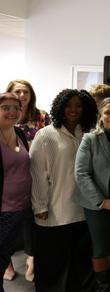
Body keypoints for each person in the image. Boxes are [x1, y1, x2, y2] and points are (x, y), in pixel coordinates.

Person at [30, 89, 98, 291]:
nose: (74, 110)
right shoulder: (46, 135)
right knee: (53, 264)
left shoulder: (89, 133)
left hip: (84, 211)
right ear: (60, 108)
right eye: (69, 105)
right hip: (54, 211)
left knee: (80, 264)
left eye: (78, 105)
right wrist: (39, 206)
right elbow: (37, 174)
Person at [74, 97, 110, 292]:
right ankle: (102, 288)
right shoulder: (89, 139)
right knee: (100, 249)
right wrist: (101, 201)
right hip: (96, 205)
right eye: (107, 112)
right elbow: (81, 173)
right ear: (100, 115)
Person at [4, 79, 50, 282]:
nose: (12, 111)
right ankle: (7, 266)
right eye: (6, 108)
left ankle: (32, 260)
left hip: (28, 191)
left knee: (29, 226)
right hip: (5, 199)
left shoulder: (24, 129)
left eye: (25, 92)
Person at [0, 92, 31, 292]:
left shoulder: (19, 133)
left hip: (22, 209)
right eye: (5, 108)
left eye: (16, 108)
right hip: (3, 211)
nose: (12, 112)